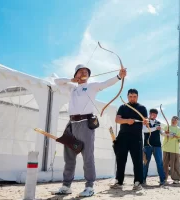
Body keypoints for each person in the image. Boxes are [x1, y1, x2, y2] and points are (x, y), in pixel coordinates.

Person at [51, 64, 126, 197]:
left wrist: (119, 76)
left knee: (88, 156)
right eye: (80, 71)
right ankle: (66, 185)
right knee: (69, 155)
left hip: (85, 124)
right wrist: (71, 80)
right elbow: (57, 81)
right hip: (71, 124)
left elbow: (106, 83)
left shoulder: (92, 86)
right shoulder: (72, 87)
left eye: (86, 71)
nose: (84, 73)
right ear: (76, 75)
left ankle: (90, 186)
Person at [110, 89, 148, 190]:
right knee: (121, 159)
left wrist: (146, 121)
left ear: (137, 97)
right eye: (130, 96)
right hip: (123, 136)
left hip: (136, 137)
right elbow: (117, 120)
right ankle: (119, 181)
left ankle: (137, 182)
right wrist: (127, 121)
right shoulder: (123, 107)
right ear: (127, 97)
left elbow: (146, 120)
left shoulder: (142, 108)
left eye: (134, 96)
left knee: (137, 160)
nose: (132, 98)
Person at [142, 109, 166, 186]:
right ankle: (143, 180)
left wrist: (167, 133)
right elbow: (145, 130)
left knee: (159, 163)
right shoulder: (145, 121)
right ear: (150, 114)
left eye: (155, 114)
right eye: (152, 114)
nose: (154, 115)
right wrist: (156, 128)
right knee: (145, 163)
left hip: (157, 146)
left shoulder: (158, 123)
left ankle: (162, 180)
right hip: (147, 145)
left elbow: (162, 133)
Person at [162, 116, 180, 184]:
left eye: (175, 120)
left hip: (175, 150)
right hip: (166, 148)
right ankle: (164, 178)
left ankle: (176, 179)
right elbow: (163, 133)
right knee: (165, 164)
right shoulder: (167, 127)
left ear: (177, 121)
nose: (174, 121)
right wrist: (170, 134)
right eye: (173, 119)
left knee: (175, 165)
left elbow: (179, 139)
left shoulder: (179, 130)